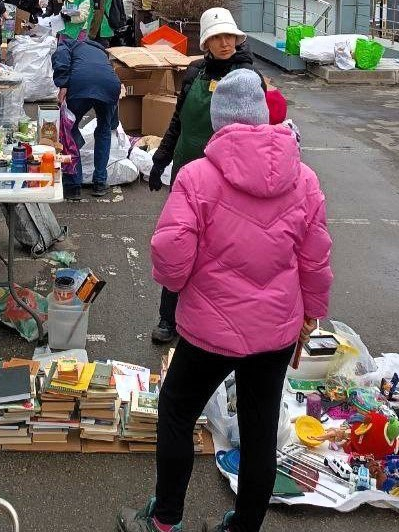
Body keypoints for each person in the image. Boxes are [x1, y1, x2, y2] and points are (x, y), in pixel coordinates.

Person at [119, 69, 333, 532]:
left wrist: (177, 284)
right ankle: (244, 527)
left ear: (219, 120)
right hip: (275, 330)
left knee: (177, 410)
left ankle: (165, 519)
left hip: (209, 328)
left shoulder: (198, 176)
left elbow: (171, 250)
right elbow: (315, 257)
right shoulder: (304, 178)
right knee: (260, 429)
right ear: (261, 116)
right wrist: (311, 315)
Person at [148, 7, 265, 344]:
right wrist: (161, 158)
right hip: (187, 170)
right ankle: (167, 318)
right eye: (217, 37)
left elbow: (260, 129)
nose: (225, 43)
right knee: (178, 243)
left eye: (229, 36)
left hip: (228, 179)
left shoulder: (247, 77)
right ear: (206, 43)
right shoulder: (194, 72)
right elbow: (178, 120)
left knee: (221, 253)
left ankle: (216, 322)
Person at [52, 36, 121, 200]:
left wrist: (63, 84)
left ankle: (73, 185)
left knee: (69, 130)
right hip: (110, 85)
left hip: (81, 84)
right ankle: (100, 182)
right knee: (104, 130)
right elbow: (108, 76)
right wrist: (112, 122)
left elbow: (60, 56)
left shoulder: (68, 45)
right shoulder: (102, 53)